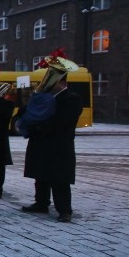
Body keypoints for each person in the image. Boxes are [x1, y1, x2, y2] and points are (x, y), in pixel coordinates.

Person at [20, 53, 83, 222]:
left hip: (58, 145)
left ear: (61, 82)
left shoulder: (72, 99)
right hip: (41, 143)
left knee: (59, 179)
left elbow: (63, 122)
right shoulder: (44, 98)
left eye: (51, 78)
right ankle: (41, 203)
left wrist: (38, 126)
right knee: (40, 175)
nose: (46, 82)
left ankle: (64, 210)